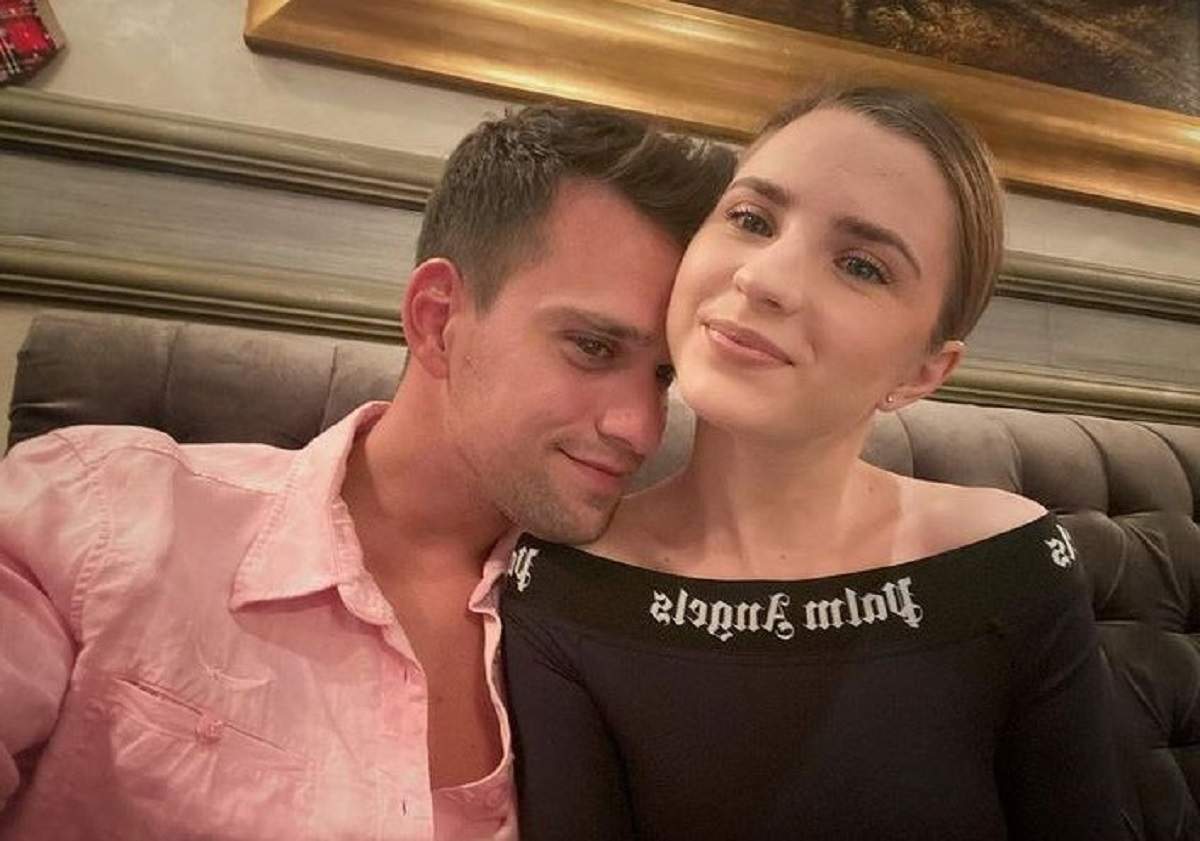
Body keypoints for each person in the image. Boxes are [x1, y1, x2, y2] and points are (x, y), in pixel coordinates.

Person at [0, 104, 733, 840]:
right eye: (594, 348)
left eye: (662, 376)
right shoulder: (103, 512)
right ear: (437, 320)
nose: (641, 429)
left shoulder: (618, 628)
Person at [502, 85, 1129, 840]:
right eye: (750, 219)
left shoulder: (1012, 563)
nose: (764, 279)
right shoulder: (564, 583)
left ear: (924, 371)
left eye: (861, 266)